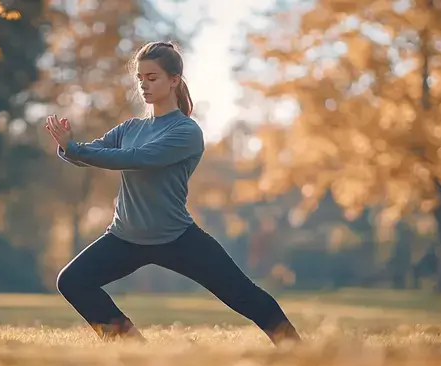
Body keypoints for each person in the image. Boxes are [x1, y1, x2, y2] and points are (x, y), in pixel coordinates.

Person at [43, 41, 302, 346]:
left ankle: (297, 350)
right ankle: (132, 347)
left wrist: (75, 149)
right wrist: (68, 147)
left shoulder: (186, 132)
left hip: (176, 238)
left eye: (152, 78)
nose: (144, 86)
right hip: (125, 237)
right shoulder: (130, 128)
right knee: (72, 281)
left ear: (174, 80)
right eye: (140, 79)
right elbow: (93, 152)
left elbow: (135, 159)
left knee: (243, 295)